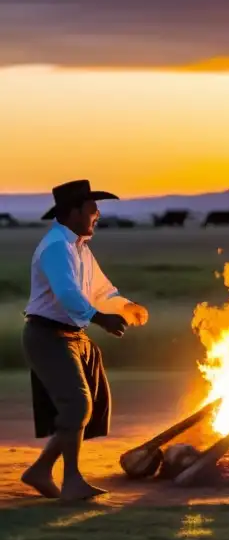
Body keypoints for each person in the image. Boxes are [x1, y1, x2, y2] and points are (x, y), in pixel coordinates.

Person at [21, 180, 149, 501]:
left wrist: (125, 307)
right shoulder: (56, 248)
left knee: (78, 409)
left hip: (71, 335)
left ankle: (40, 471)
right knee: (77, 405)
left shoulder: (80, 249)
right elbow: (67, 294)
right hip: (48, 335)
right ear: (74, 211)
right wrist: (101, 319)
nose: (98, 214)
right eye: (92, 207)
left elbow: (102, 292)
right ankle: (72, 481)